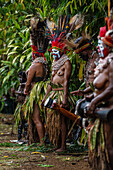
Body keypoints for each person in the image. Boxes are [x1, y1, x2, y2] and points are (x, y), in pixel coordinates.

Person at [82, 29, 113, 170]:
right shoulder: (105, 62)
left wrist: (94, 101)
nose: (102, 48)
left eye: (104, 46)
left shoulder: (111, 63)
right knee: (102, 146)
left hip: (109, 109)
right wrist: (92, 96)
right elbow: (103, 86)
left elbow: (111, 88)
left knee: (109, 147)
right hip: (101, 108)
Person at [41, 38, 72, 152]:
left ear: (61, 51)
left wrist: (64, 99)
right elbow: (51, 82)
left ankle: (63, 146)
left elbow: (66, 82)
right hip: (53, 93)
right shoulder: (55, 62)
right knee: (54, 120)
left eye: (56, 51)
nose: (53, 53)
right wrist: (45, 98)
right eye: (52, 51)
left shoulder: (66, 62)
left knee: (62, 120)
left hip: (60, 93)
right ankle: (57, 144)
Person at [24, 18, 49, 145]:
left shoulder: (35, 65)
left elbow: (28, 83)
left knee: (36, 118)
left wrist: (25, 91)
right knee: (40, 118)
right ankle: (40, 141)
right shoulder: (44, 64)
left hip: (34, 92)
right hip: (41, 92)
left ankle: (42, 143)